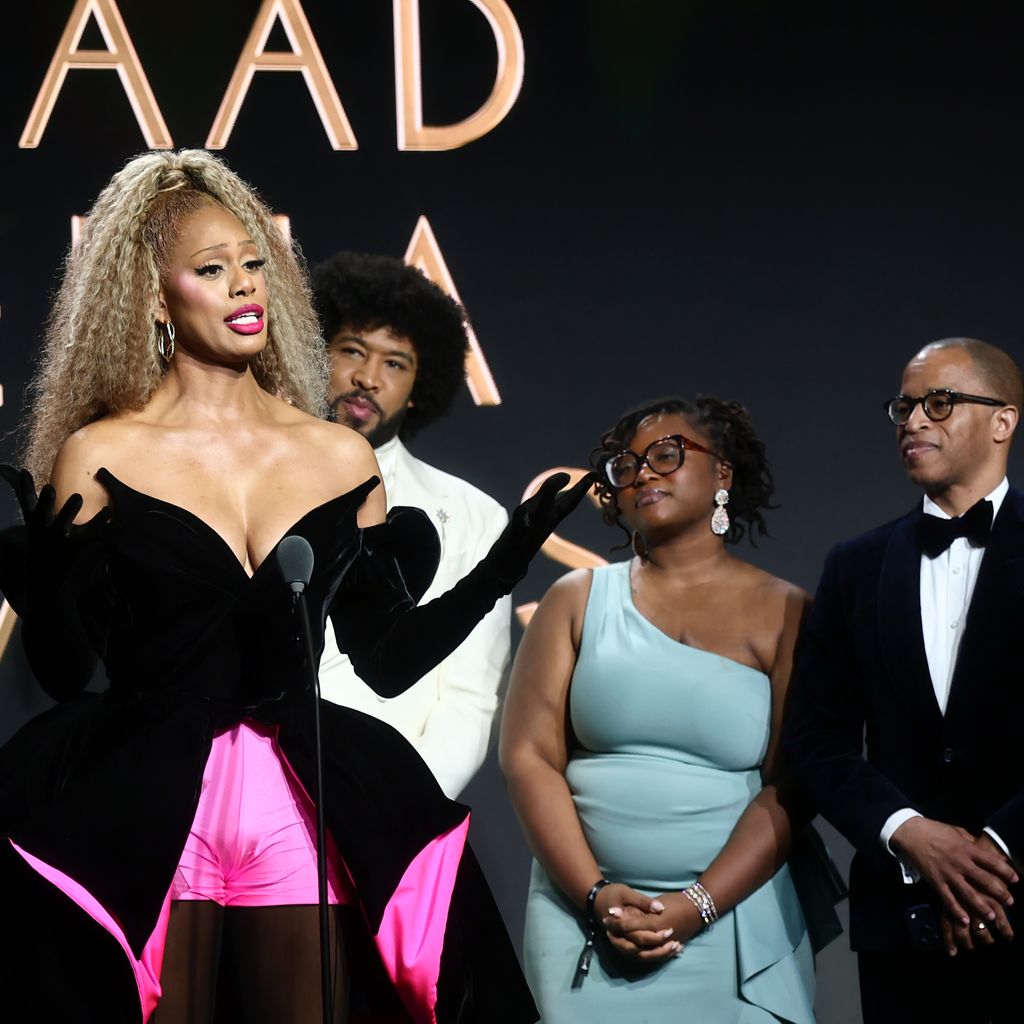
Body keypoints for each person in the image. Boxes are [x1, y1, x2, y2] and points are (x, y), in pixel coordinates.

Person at [0, 149, 590, 1023]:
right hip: (151, 803)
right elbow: (59, 671)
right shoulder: (103, 452)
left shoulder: (337, 457)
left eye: (253, 264)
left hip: (294, 800)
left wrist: (504, 565)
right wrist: (50, 586)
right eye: (211, 270)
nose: (244, 288)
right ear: (155, 299)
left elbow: (385, 661)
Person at [500, 396, 816, 1023]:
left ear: (722, 473)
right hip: (583, 922)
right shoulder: (576, 599)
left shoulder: (789, 613)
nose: (643, 473)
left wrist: (698, 903)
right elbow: (528, 757)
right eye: (628, 465)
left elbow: (792, 786)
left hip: (734, 926)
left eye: (667, 455)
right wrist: (595, 897)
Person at [785, 338, 1024, 1022]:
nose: (913, 420)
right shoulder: (853, 564)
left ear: (1003, 421)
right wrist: (910, 832)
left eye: (939, 403)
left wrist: (993, 853)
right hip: (901, 918)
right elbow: (816, 737)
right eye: (904, 406)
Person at [311, 252, 509, 799]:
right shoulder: (245, 479)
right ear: (314, 352)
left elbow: (469, 699)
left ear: (421, 384)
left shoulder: (475, 517)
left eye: (395, 363)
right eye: (352, 350)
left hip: (392, 804)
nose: (367, 379)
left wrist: (402, 811)